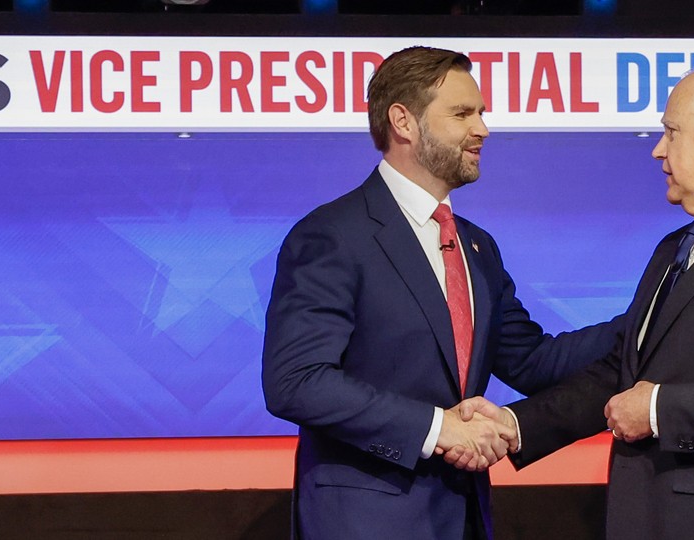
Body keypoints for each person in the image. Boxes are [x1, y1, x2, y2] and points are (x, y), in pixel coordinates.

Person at [456, 64, 694, 539]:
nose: (658, 149)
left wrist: (660, 409)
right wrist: (515, 425)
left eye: (672, 132)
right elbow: (623, 372)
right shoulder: (675, 247)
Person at [261, 46, 618, 540]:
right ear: (403, 121)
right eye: (463, 114)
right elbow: (296, 382)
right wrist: (437, 428)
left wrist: (649, 318)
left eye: (482, 113)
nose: (483, 130)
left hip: (464, 515)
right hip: (365, 522)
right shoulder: (332, 235)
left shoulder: (477, 246)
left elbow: (532, 361)